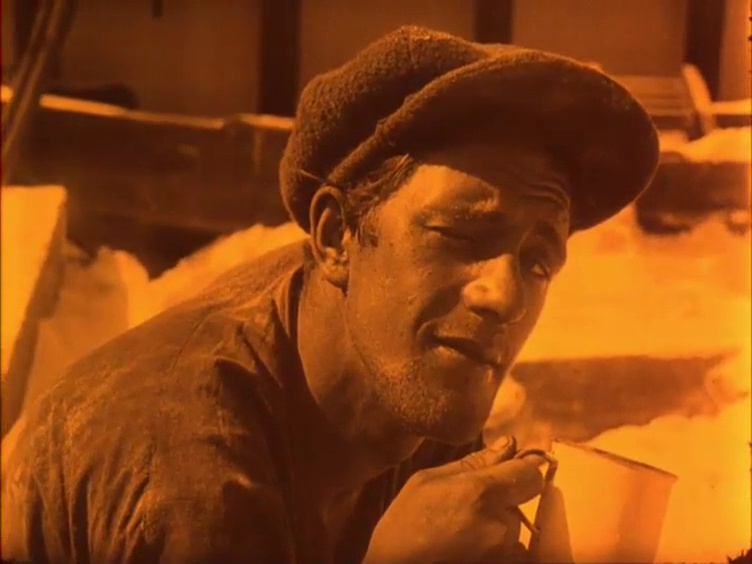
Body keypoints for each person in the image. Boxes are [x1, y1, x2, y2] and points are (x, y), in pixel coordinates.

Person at [1, 25, 659, 564]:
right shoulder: (189, 466)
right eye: (461, 235)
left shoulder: (408, 368)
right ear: (337, 235)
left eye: (538, 263)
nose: (505, 296)